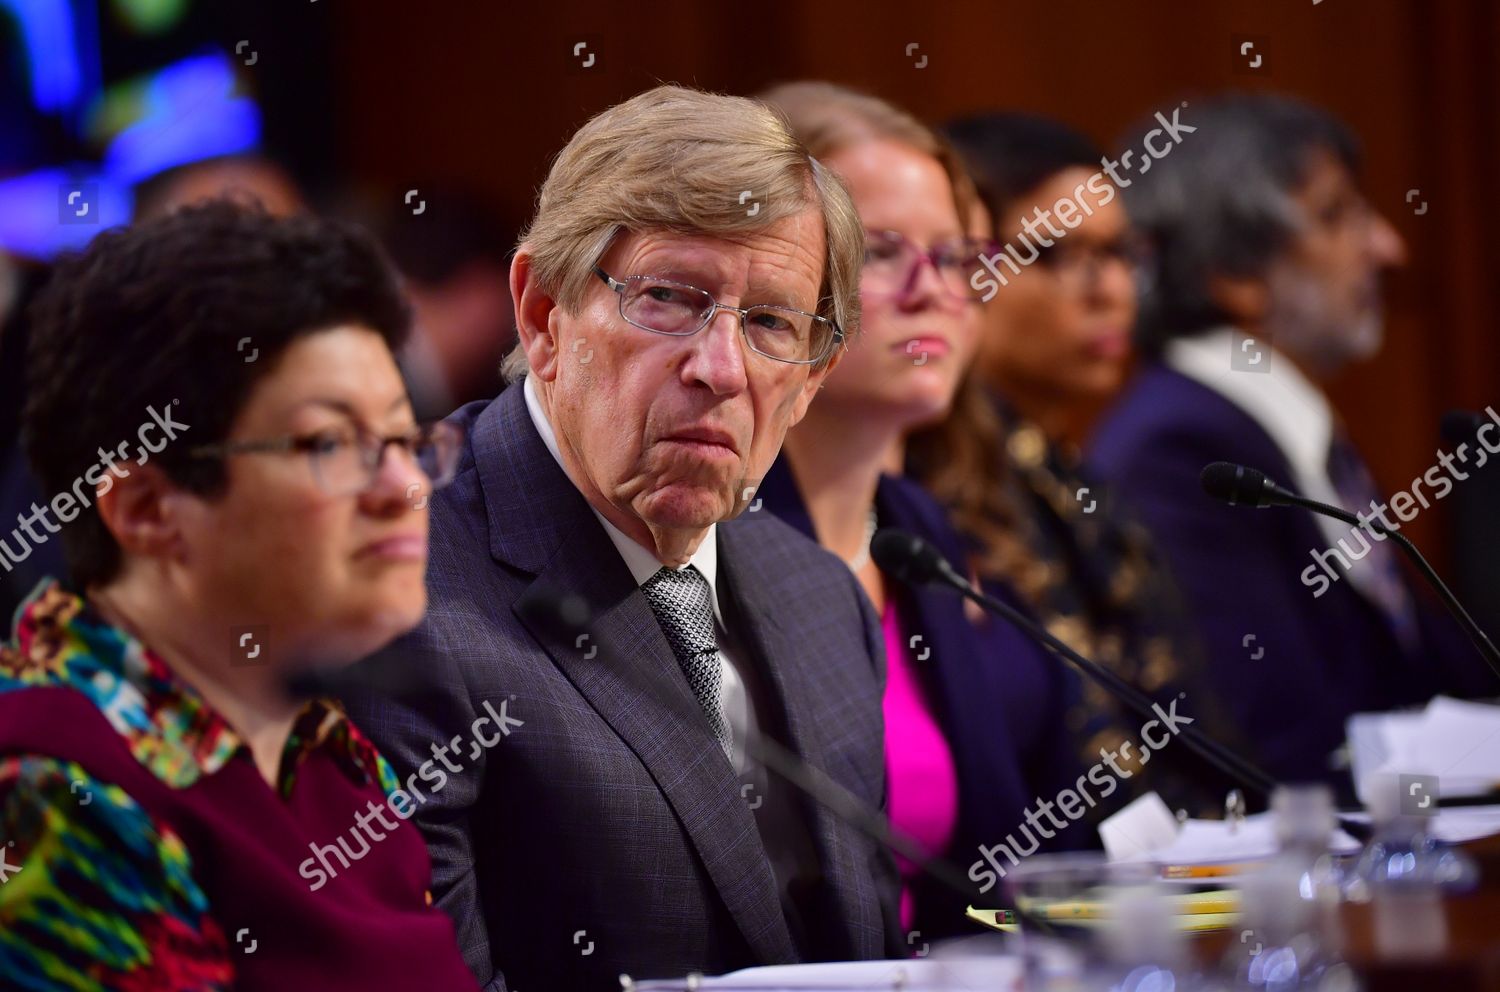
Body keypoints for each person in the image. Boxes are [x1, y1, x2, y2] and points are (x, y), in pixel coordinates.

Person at [341, 84, 900, 991]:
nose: (720, 370)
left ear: (809, 382)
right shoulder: (392, 596)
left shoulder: (821, 597)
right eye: (669, 299)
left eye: (769, 325)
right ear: (542, 315)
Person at [0, 202, 477, 989]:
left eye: (403, 439)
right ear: (149, 509)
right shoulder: (53, 791)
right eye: (330, 443)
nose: (405, 488)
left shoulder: (331, 747)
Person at [1088, 93, 1494, 788]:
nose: (1389, 245)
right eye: (1338, 215)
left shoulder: (1276, 430)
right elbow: (1274, 740)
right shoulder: (1182, 452)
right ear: (1233, 274)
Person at [754, 81, 1077, 940]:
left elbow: (991, 871)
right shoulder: (707, 544)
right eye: (885, 251)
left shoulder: (914, 527)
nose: (935, 290)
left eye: (959, 256)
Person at [907, 112, 1237, 823]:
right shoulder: (931, 485)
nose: (1109, 289)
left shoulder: (1078, 477)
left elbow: (1197, 733)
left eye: (1122, 254)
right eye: (1061, 253)